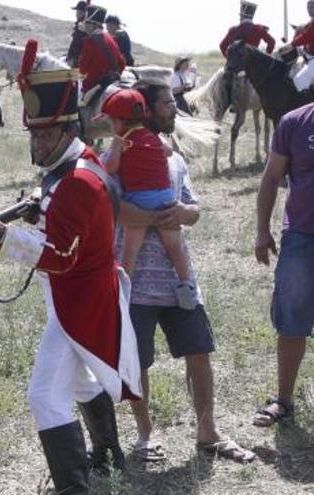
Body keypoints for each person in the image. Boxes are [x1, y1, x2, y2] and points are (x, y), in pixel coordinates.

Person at [0, 39, 141, 494]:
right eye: (33, 134)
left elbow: (63, 258)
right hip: (81, 294)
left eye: (45, 135)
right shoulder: (77, 166)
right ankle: (108, 455)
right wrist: (37, 209)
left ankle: (75, 487)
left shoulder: (76, 183)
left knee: (45, 397)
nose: (37, 142)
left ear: (70, 130)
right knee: (85, 379)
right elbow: (63, 217)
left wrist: (7, 238)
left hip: (79, 299)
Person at [115, 80, 256, 463]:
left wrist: (180, 213)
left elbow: (193, 210)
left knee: (199, 351)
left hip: (180, 282)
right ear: (143, 109)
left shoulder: (174, 159)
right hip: (136, 285)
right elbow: (110, 209)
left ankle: (207, 432)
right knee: (138, 361)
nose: (174, 109)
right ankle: (145, 435)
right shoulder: (119, 157)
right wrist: (154, 217)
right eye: (165, 104)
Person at [100, 89, 197, 310]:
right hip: (165, 198)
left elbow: (111, 167)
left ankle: (124, 289)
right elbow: (169, 151)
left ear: (119, 122)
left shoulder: (121, 140)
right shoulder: (153, 136)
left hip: (138, 201)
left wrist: (118, 146)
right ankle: (187, 285)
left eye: (111, 122)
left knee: (130, 249)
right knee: (175, 245)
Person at [252, 99, 314, 428]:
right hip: (302, 237)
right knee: (292, 321)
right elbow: (272, 176)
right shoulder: (294, 121)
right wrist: (262, 231)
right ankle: (284, 400)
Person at [78, 4, 126, 106]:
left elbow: (82, 69)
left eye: (87, 23)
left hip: (94, 83)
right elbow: (122, 63)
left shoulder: (89, 41)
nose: (85, 26)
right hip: (112, 80)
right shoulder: (109, 38)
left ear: (93, 25)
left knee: (78, 104)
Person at [282, 0, 314, 92]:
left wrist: (291, 45)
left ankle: (306, 105)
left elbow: (307, 36)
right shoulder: (310, 23)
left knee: (299, 80)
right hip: (309, 58)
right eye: (308, 8)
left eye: (312, 7)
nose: (309, 10)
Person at [66, 1, 89, 68]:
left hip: (78, 59)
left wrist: (74, 58)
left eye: (80, 12)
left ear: (85, 13)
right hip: (75, 57)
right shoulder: (78, 25)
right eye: (77, 11)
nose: (77, 14)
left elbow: (78, 43)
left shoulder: (84, 26)